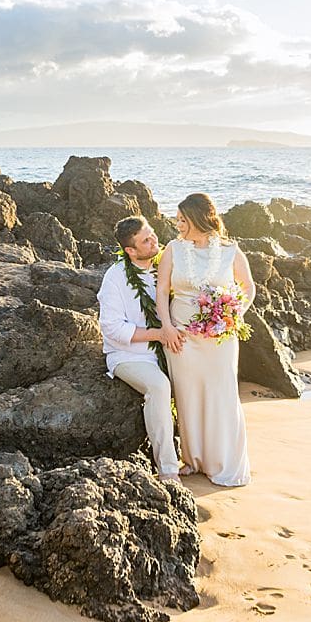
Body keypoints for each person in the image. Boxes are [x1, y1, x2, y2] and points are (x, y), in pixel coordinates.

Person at [156, 193, 255, 487]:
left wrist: (233, 314)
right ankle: (193, 459)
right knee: (188, 396)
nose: (178, 224)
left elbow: (247, 287)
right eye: (178, 219)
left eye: (183, 219)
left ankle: (223, 461)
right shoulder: (173, 249)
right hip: (181, 338)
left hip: (219, 340)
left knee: (220, 394)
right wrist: (167, 328)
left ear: (200, 218)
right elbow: (162, 292)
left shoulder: (230, 251)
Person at [97, 216, 185, 483]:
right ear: (130, 251)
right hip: (128, 354)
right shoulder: (115, 278)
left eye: (152, 234)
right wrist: (158, 334)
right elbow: (112, 328)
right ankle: (168, 470)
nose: (154, 240)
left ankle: (200, 455)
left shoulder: (164, 267)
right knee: (159, 386)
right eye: (146, 240)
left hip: (167, 347)